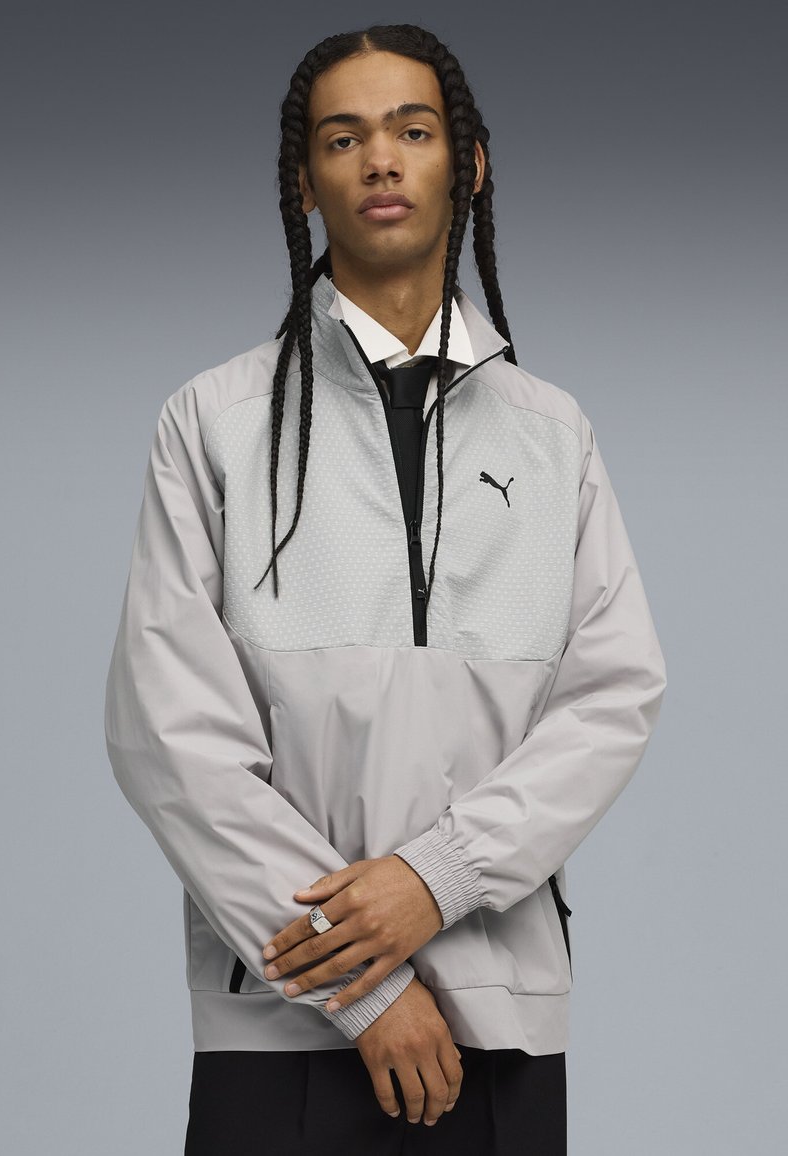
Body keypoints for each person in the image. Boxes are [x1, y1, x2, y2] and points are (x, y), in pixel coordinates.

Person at [103, 22, 667, 1156]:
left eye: (413, 130)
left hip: (502, 1018)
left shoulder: (552, 434)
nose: (378, 160)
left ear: (470, 163)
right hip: (278, 1028)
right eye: (341, 138)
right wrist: (360, 985)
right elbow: (171, 738)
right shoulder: (213, 423)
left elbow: (611, 697)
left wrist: (434, 878)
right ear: (301, 182)